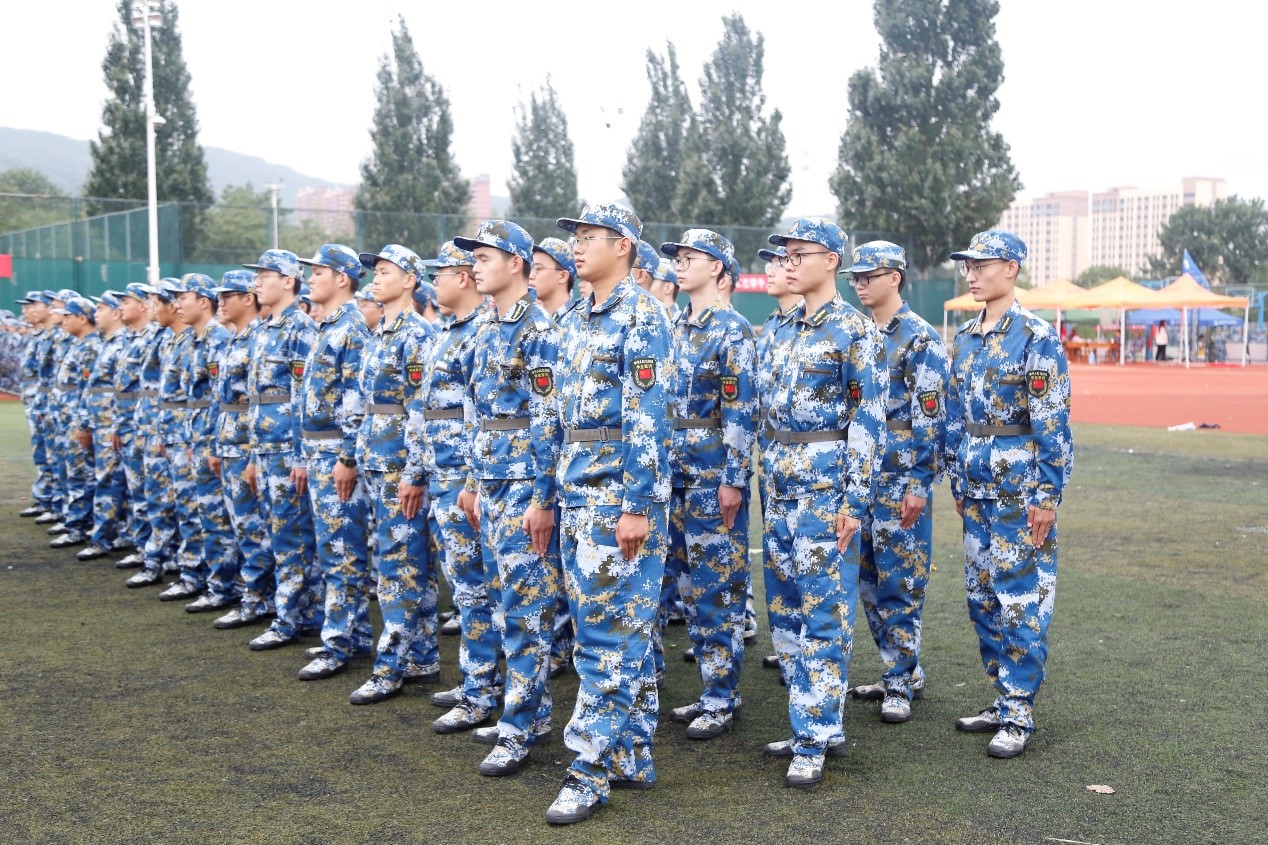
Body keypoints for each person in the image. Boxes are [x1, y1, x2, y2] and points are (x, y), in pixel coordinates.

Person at [545, 202, 674, 824]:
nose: (578, 245)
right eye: (575, 236)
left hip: (616, 498)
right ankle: (631, 754)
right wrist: (546, 496)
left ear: (623, 245)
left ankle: (588, 769)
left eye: (590, 236)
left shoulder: (644, 316)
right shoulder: (572, 317)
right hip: (575, 493)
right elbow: (553, 414)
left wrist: (637, 506)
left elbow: (648, 418)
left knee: (605, 640)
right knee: (616, 632)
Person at [757, 217, 887, 788]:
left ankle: (814, 735)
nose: (788, 263)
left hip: (824, 492)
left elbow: (867, 421)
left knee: (824, 615)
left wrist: (853, 501)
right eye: (784, 255)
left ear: (831, 259)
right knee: (786, 612)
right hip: (780, 489)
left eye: (799, 254)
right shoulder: (781, 329)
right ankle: (812, 721)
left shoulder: (854, 331)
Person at [945, 230, 1072, 759]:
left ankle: (1019, 710)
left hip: (1020, 492)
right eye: (968, 266)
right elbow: (954, 416)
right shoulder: (965, 337)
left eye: (982, 265)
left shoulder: (1036, 337)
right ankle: (1001, 698)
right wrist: (956, 478)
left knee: (1020, 600)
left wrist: (1047, 495)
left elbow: (1052, 423)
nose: (971, 274)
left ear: (1012, 268)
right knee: (983, 599)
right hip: (976, 489)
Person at [452, 220, 563, 775]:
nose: (475, 267)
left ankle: (519, 727)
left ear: (515, 263)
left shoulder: (537, 328)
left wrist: (542, 498)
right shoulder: (486, 325)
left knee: (526, 611)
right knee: (504, 604)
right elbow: (477, 412)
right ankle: (528, 715)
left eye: (484, 257)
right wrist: (473, 483)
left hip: (524, 486)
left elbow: (547, 419)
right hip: (492, 481)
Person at [658, 228, 758, 740]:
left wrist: (734, 478)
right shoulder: (674, 325)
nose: (680, 263)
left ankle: (722, 696)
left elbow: (740, 408)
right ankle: (708, 690)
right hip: (672, 474)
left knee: (717, 588)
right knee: (685, 588)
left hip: (711, 474)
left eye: (690, 257)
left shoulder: (732, 329)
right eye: (677, 257)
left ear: (717, 267)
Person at [843, 241, 948, 722]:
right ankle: (898, 669)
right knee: (867, 581)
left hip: (899, 477)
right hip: (861, 478)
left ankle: (901, 680)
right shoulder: (857, 333)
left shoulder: (919, 338)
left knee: (900, 582)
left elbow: (932, 419)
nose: (860, 284)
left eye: (870, 276)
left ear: (895, 277)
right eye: (856, 277)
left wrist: (919, 483)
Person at [407, 242, 504, 729]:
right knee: (465, 588)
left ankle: (483, 690)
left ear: (462, 278)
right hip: (444, 476)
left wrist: (471, 482)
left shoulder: (482, 332)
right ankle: (475, 680)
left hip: (468, 480)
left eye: (440, 273)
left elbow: (481, 416)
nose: (433, 284)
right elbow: (427, 410)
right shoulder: (450, 331)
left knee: (477, 589)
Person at [348, 244, 440, 704]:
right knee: (405, 563)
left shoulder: (417, 334)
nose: (375, 279)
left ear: (410, 280)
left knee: (398, 567)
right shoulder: (379, 332)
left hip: (399, 466)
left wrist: (414, 472)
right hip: (376, 459)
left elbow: (420, 409)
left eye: (385, 271)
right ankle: (421, 655)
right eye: (375, 272)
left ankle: (391, 667)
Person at [293, 245, 374, 681]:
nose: (311, 278)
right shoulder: (329, 326)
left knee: (342, 550)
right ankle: (352, 633)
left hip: (336, 454)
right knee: (333, 547)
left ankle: (339, 641)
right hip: (319, 451)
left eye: (319, 271)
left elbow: (357, 401)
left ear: (342, 278)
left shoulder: (351, 329)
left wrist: (347, 456)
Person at [241, 250, 321, 650]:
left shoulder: (299, 328)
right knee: (280, 532)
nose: (257, 282)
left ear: (288, 281)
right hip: (266, 448)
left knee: (292, 535)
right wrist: (253, 455)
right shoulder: (263, 328)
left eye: (265, 274)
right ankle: (304, 613)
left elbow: (304, 397)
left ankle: (290, 617)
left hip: (288, 450)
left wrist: (301, 456)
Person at [209, 271, 278, 630]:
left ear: (248, 299)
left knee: (253, 526)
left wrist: (251, 452)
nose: (220, 302)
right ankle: (255, 593)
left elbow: (259, 402)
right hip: (231, 441)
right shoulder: (238, 338)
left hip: (248, 443)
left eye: (228, 296)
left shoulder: (257, 338)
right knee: (241, 523)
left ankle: (257, 597)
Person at [172, 274, 238, 610]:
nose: (177, 305)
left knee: (216, 516)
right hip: (194, 435)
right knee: (195, 510)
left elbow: (219, 397)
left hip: (212, 437)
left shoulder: (218, 338)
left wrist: (212, 444)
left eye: (183, 297)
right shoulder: (191, 339)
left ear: (202, 301)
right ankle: (200, 576)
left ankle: (223, 585)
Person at [124, 285, 182, 588]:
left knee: (166, 499)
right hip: (154, 425)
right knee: (154, 495)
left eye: (155, 302)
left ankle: (161, 558)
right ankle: (157, 555)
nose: (150, 308)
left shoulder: (184, 339)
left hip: (175, 430)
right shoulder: (162, 337)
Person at [74, 292, 131, 561]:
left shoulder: (122, 344)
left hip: (111, 422)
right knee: (110, 479)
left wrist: (115, 424)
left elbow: (122, 390)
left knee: (108, 480)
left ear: (116, 313)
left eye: (101, 308)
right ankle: (116, 533)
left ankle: (103, 538)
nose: (96, 313)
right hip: (102, 421)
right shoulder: (107, 343)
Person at [49, 297, 101, 550]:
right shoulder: (77, 344)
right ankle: (75, 520)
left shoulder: (91, 347)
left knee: (80, 473)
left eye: (68, 316)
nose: (63, 320)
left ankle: (79, 526)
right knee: (71, 471)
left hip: (77, 419)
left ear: (82, 319)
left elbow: (87, 390)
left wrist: (84, 423)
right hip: (66, 418)